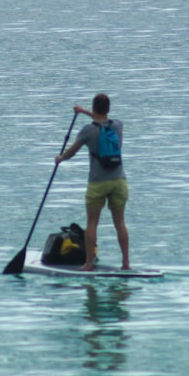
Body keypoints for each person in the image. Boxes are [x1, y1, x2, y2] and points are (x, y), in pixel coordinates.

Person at [55, 93, 130, 271]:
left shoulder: (88, 131)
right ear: (109, 109)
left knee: (92, 223)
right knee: (120, 222)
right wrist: (84, 111)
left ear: (94, 107)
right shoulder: (117, 126)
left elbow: (72, 152)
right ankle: (126, 263)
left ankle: (89, 263)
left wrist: (60, 159)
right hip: (119, 181)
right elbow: (102, 119)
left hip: (98, 183)